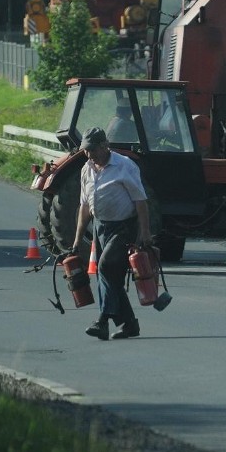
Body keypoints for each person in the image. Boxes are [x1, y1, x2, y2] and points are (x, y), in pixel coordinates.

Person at [73, 127, 152, 340]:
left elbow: (140, 201)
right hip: (100, 227)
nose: (89, 155)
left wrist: (144, 233)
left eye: (92, 150)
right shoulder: (86, 169)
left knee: (106, 267)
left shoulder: (125, 165)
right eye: (86, 151)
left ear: (104, 146)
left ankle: (102, 320)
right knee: (110, 277)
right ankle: (129, 324)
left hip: (123, 228)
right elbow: (84, 206)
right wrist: (77, 238)